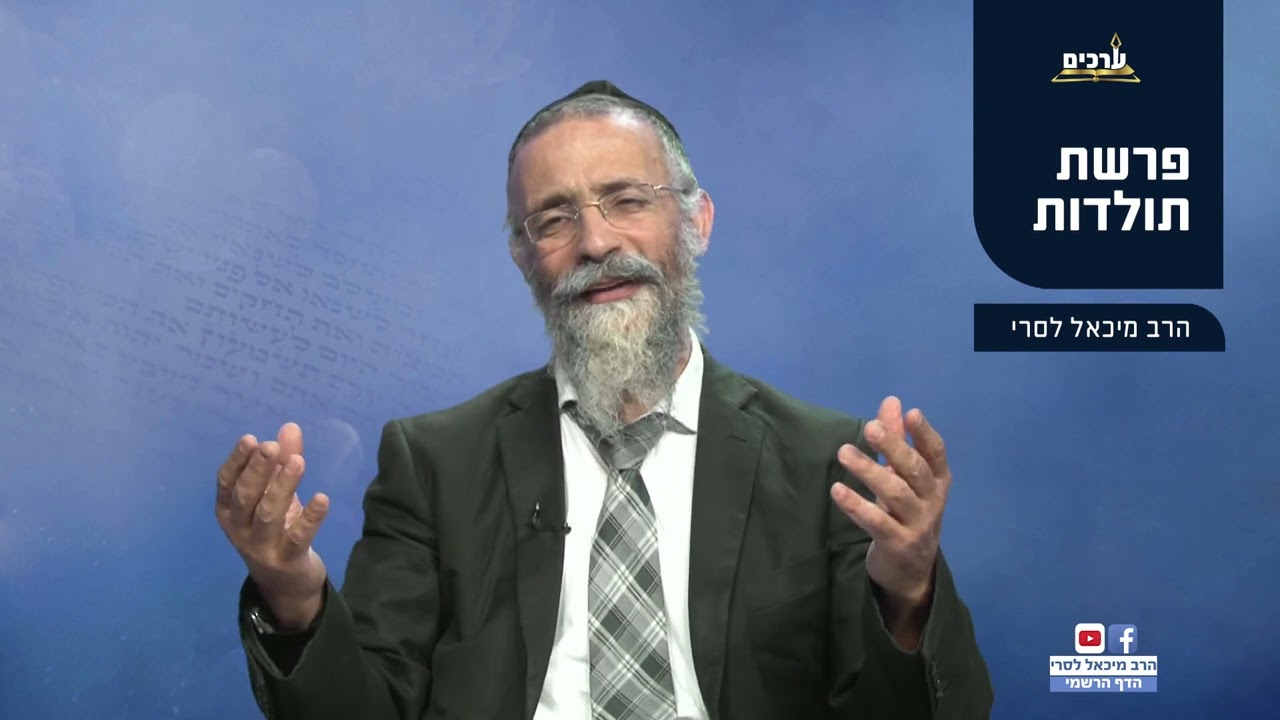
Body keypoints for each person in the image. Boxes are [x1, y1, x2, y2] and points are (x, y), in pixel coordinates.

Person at [215, 80, 994, 719]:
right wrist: (294, 595)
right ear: (524, 259)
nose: (595, 243)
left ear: (696, 222)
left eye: (626, 201)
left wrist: (907, 591)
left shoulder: (830, 463)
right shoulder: (434, 463)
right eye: (554, 220)